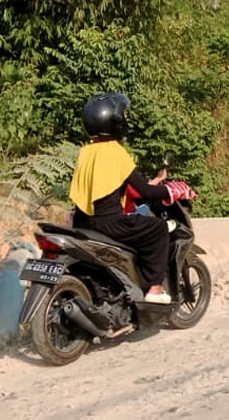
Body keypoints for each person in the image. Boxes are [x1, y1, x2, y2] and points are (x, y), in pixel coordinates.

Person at [69, 92, 173, 304]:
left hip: (82, 222)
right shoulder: (116, 152)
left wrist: (152, 182)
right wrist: (173, 189)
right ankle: (154, 288)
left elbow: (108, 184)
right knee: (158, 229)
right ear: (115, 121)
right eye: (123, 116)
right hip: (110, 223)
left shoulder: (86, 152)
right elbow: (147, 193)